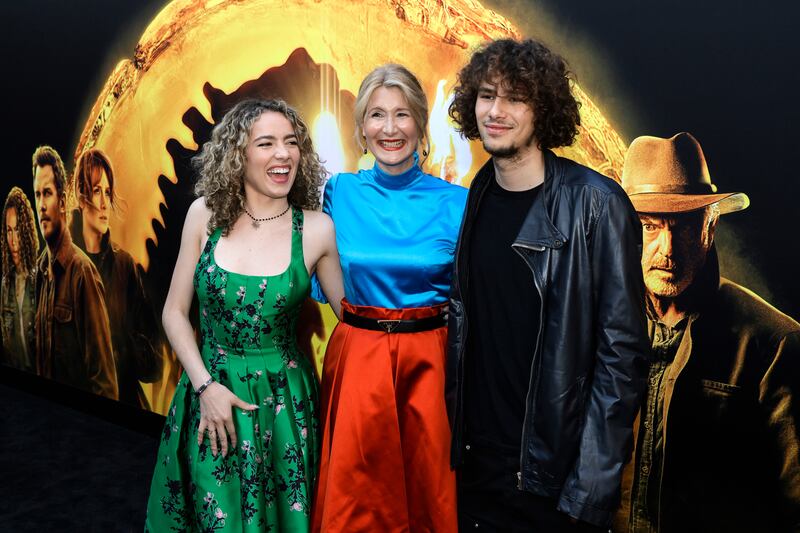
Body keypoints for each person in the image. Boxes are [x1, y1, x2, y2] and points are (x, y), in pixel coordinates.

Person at [445, 38, 650, 531]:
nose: (496, 111)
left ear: (544, 110)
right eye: (487, 94)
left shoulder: (597, 204)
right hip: (477, 473)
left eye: (516, 98)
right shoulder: (481, 191)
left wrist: (588, 491)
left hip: (552, 484)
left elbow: (622, 359)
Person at [145, 98, 344, 532]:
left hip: (284, 408)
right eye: (267, 143)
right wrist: (206, 388)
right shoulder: (204, 216)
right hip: (209, 392)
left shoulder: (316, 229)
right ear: (239, 154)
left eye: (291, 143)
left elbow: (355, 322)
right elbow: (175, 313)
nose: (283, 154)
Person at [616, 132, 800, 532]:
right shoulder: (597, 324)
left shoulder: (773, 344)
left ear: (710, 227)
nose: (666, 248)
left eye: (682, 227)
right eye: (649, 227)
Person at [311, 64, 467, 533]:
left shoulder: (456, 202)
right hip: (359, 358)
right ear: (361, 128)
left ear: (421, 124)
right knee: (356, 496)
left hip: (430, 363)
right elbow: (331, 286)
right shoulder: (340, 192)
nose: (390, 128)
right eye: (377, 115)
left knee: (428, 489)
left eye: (402, 115)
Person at [69, 148, 163, 409]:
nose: (103, 204)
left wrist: (122, 344)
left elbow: (154, 366)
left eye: (107, 192)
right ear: (80, 194)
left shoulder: (125, 267)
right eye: (96, 190)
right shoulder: (61, 265)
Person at [32, 145, 118, 399]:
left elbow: (104, 384)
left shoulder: (82, 274)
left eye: (46, 193)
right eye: (37, 195)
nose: (41, 205)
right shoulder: (40, 273)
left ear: (61, 200)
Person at [1, 187, 39, 371]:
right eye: (9, 231)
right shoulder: (6, 285)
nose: (13, 240)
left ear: (26, 231)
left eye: (17, 230)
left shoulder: (40, 277)